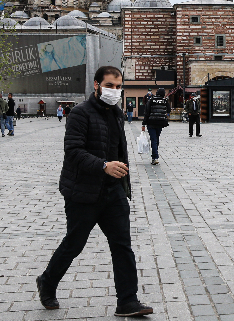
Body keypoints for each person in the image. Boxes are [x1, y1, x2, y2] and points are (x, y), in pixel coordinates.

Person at [37, 66, 153, 317]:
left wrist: (122, 179)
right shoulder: (80, 113)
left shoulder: (117, 113)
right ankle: (47, 281)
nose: (114, 91)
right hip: (83, 193)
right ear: (97, 86)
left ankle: (127, 301)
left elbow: (118, 150)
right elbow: (74, 151)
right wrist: (103, 166)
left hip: (113, 192)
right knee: (74, 244)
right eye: (110, 85)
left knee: (122, 245)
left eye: (118, 86)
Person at [142, 88, 170, 165]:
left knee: (153, 140)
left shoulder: (151, 100)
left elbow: (146, 112)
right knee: (156, 139)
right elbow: (169, 110)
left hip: (151, 122)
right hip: (160, 122)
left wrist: (143, 124)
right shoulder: (165, 101)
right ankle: (155, 154)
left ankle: (155, 157)